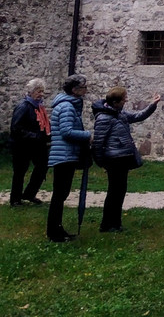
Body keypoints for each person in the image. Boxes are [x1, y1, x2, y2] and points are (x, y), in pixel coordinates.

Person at [91, 86, 160, 232]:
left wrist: (152, 105)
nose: (126, 100)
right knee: (114, 192)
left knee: (120, 191)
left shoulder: (119, 113)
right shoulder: (104, 118)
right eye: (124, 99)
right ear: (116, 102)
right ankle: (107, 224)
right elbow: (98, 143)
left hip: (122, 157)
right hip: (114, 158)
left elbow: (137, 116)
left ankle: (116, 223)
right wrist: (101, 162)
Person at [46, 73, 91, 242]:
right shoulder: (67, 107)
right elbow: (66, 132)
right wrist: (88, 135)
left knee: (61, 194)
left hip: (66, 154)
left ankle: (57, 229)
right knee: (59, 194)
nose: (86, 90)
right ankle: (54, 231)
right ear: (74, 90)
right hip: (64, 155)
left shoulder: (69, 105)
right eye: (83, 87)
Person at [10, 77, 50, 206]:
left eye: (42, 91)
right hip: (22, 145)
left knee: (42, 166)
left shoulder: (38, 107)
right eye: (38, 91)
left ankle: (29, 193)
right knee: (20, 172)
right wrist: (35, 136)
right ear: (31, 92)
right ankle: (15, 199)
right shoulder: (24, 106)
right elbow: (16, 128)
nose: (41, 94)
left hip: (36, 145)